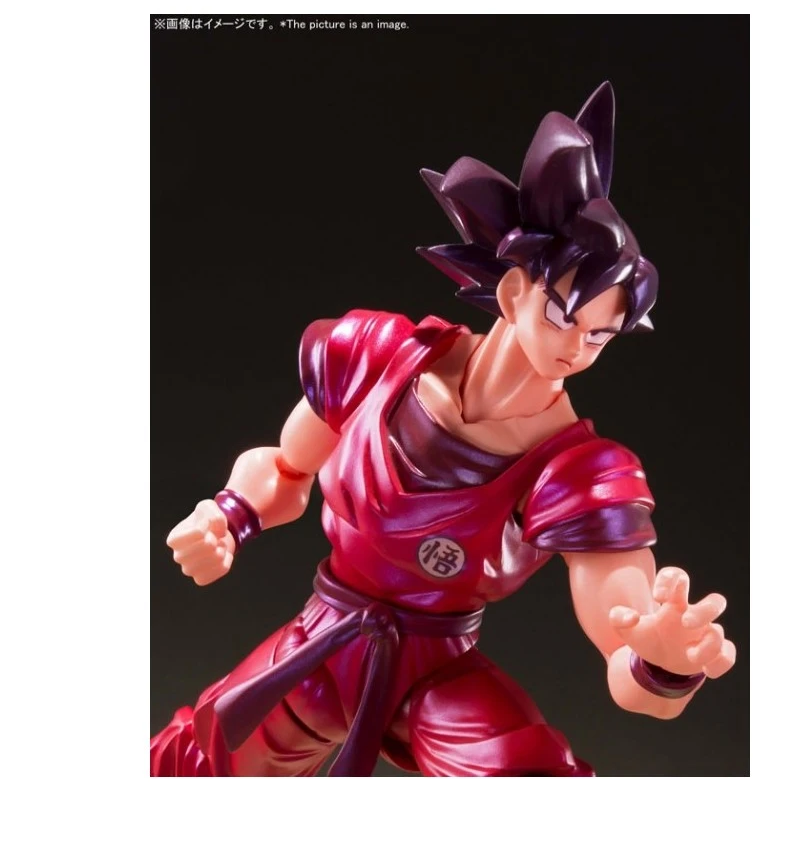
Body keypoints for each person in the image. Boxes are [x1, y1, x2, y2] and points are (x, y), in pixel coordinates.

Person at [150, 82, 736, 777]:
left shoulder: (578, 471)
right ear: (514, 292)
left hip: (438, 678)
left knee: (528, 777)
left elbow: (622, 630)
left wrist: (660, 661)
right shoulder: (374, 357)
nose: (578, 347)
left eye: (601, 335)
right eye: (564, 317)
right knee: (189, 768)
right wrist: (228, 516)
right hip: (320, 643)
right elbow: (286, 467)